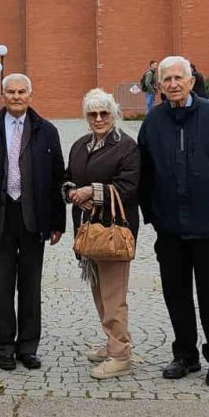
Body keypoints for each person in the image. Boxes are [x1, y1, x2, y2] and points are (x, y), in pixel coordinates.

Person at [138, 55, 209, 388]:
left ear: (191, 81)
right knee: (176, 294)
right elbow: (144, 172)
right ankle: (185, 355)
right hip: (170, 227)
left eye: (178, 78)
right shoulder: (153, 121)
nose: (173, 84)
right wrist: (152, 214)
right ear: (159, 85)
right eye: (167, 79)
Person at [0, 73, 65, 371]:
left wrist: (57, 222)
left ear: (30, 95)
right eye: (11, 92)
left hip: (34, 216)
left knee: (31, 285)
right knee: (3, 284)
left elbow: (57, 178)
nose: (16, 97)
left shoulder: (46, 130)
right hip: (0, 216)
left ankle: (27, 346)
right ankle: (3, 346)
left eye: (22, 92)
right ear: (3, 95)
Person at [62, 87, 140, 379]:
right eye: (92, 114)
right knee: (100, 293)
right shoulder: (81, 145)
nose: (98, 119)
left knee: (113, 296)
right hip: (87, 232)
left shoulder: (126, 147)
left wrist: (91, 192)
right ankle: (113, 341)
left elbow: (128, 187)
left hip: (112, 233)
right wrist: (71, 191)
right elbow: (68, 177)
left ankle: (120, 355)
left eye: (103, 113)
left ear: (114, 114)